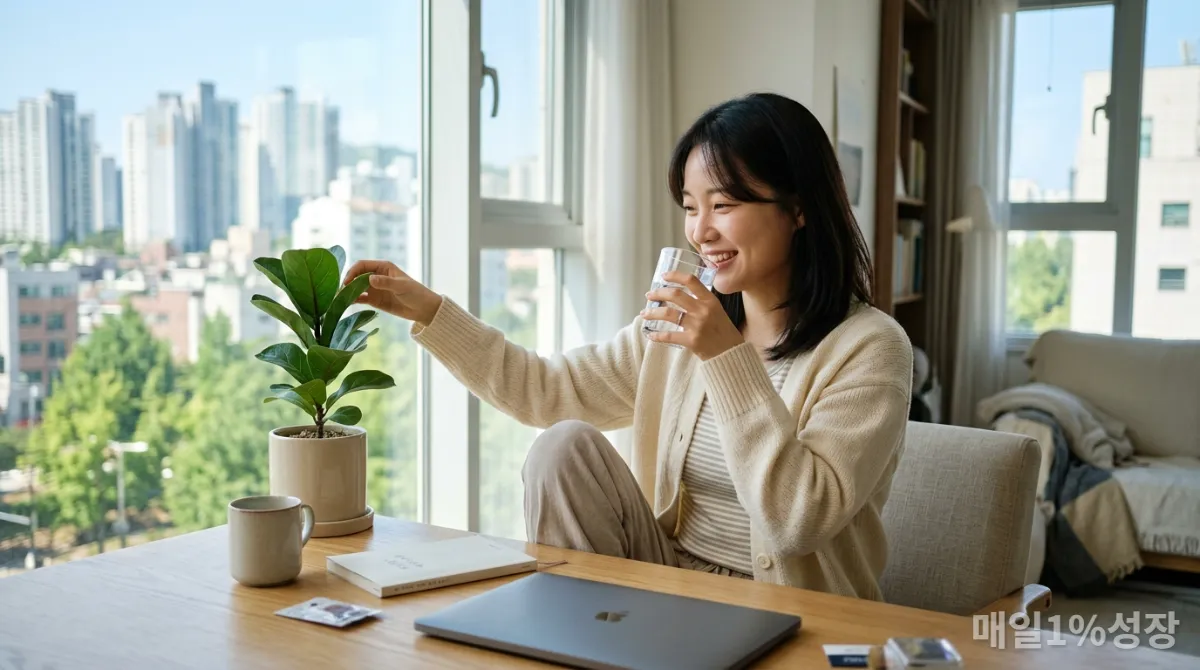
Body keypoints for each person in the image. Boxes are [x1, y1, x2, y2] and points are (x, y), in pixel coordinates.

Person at [343, 92, 913, 601]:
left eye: (724, 205)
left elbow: (798, 519)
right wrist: (431, 311)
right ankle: (572, 637)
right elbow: (547, 392)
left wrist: (724, 358)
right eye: (690, 207)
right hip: (669, 589)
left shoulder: (869, 348)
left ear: (798, 209)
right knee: (562, 445)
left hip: (792, 614)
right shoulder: (678, 328)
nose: (700, 232)